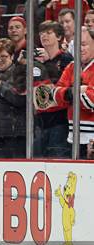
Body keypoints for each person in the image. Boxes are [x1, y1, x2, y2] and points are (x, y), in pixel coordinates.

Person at [52, 27, 94, 159]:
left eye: (84, 44)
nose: (80, 49)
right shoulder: (72, 66)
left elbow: (91, 101)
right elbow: (55, 95)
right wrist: (77, 90)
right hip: (73, 136)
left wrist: (69, 94)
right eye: (77, 45)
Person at [33, 20, 73, 158]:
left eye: (49, 33)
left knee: (57, 161)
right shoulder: (36, 64)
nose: (44, 36)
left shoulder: (66, 59)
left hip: (59, 122)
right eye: (42, 33)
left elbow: (63, 86)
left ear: (59, 37)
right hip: (40, 123)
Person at [0, 38, 27, 158]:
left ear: (11, 56)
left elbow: (19, 99)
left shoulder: (19, 72)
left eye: (3, 56)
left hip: (13, 135)